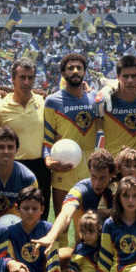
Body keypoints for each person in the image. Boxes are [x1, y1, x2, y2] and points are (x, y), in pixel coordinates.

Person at [44, 53, 102, 216]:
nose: (75, 71)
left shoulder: (95, 99)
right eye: (70, 68)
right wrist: (48, 160)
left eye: (79, 68)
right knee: (62, 220)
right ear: (63, 73)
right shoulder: (52, 101)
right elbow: (47, 138)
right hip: (63, 168)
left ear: (85, 72)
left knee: (89, 223)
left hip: (90, 170)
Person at [0, 58, 51, 218]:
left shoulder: (44, 102)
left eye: (30, 78)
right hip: (13, 167)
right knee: (12, 216)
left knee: (40, 216)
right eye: (22, 77)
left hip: (40, 167)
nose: (27, 82)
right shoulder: (0, 107)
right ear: (13, 79)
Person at [0, 186, 61, 272]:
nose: (30, 212)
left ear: (42, 210)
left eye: (35, 208)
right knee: (19, 271)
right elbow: (2, 257)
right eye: (26, 208)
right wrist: (11, 263)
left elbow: (54, 261)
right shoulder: (10, 231)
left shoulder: (48, 229)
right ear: (17, 209)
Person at [37, 149, 116, 252]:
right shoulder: (81, 189)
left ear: (111, 175)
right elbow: (65, 214)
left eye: (102, 178)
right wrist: (51, 236)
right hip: (85, 248)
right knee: (58, 258)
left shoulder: (120, 189)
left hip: (114, 248)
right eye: (93, 177)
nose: (97, 183)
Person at [99, 55, 136, 157]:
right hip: (114, 165)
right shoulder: (104, 101)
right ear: (118, 77)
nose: (130, 80)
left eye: (134, 76)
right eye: (125, 76)